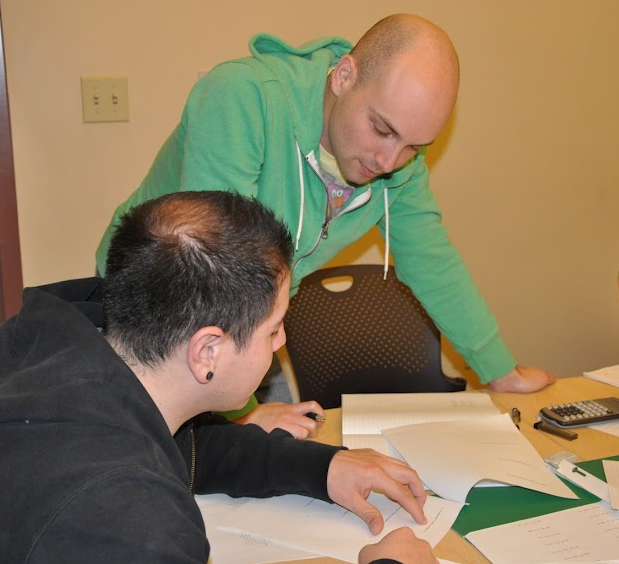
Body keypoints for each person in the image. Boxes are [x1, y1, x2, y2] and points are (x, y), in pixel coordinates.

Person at [95, 13, 557, 436]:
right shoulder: (242, 97)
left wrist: (500, 370)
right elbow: (213, 268)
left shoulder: (399, 167)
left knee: (276, 463)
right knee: (171, 466)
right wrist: (244, 413)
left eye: (414, 146)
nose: (389, 161)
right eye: (382, 129)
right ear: (344, 76)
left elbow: (433, 262)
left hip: (247, 325)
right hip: (150, 308)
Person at [0, 191, 437, 564]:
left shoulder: (73, 350)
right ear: (207, 351)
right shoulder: (125, 515)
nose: (282, 341)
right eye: (273, 327)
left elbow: (187, 447)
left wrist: (322, 466)